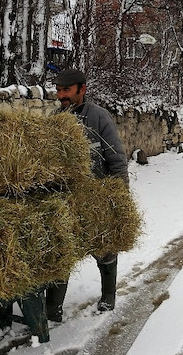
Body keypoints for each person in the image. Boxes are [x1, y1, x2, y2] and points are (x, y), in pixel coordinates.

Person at [45, 69, 129, 322]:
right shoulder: (55, 120)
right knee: (62, 251)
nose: (61, 95)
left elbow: (116, 157)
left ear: (82, 89)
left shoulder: (99, 117)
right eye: (59, 90)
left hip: (97, 196)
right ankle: (53, 309)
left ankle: (108, 295)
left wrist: (121, 195)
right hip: (66, 199)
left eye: (66, 90)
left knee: (103, 248)